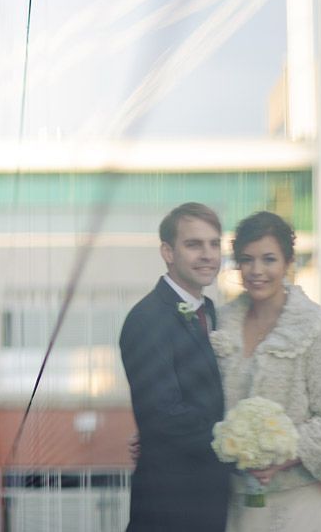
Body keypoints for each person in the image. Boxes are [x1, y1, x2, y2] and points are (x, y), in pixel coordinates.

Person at [210, 211, 321, 532]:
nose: (257, 271)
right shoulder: (217, 327)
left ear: (288, 263)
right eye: (246, 260)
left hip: (305, 507)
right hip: (238, 509)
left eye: (269, 259)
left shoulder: (320, 331)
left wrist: (283, 454)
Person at [119, 201, 231, 532]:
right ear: (168, 252)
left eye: (214, 244)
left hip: (213, 504)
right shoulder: (147, 319)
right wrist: (239, 440)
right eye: (194, 244)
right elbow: (164, 416)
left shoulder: (211, 312)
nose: (208, 254)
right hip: (169, 509)